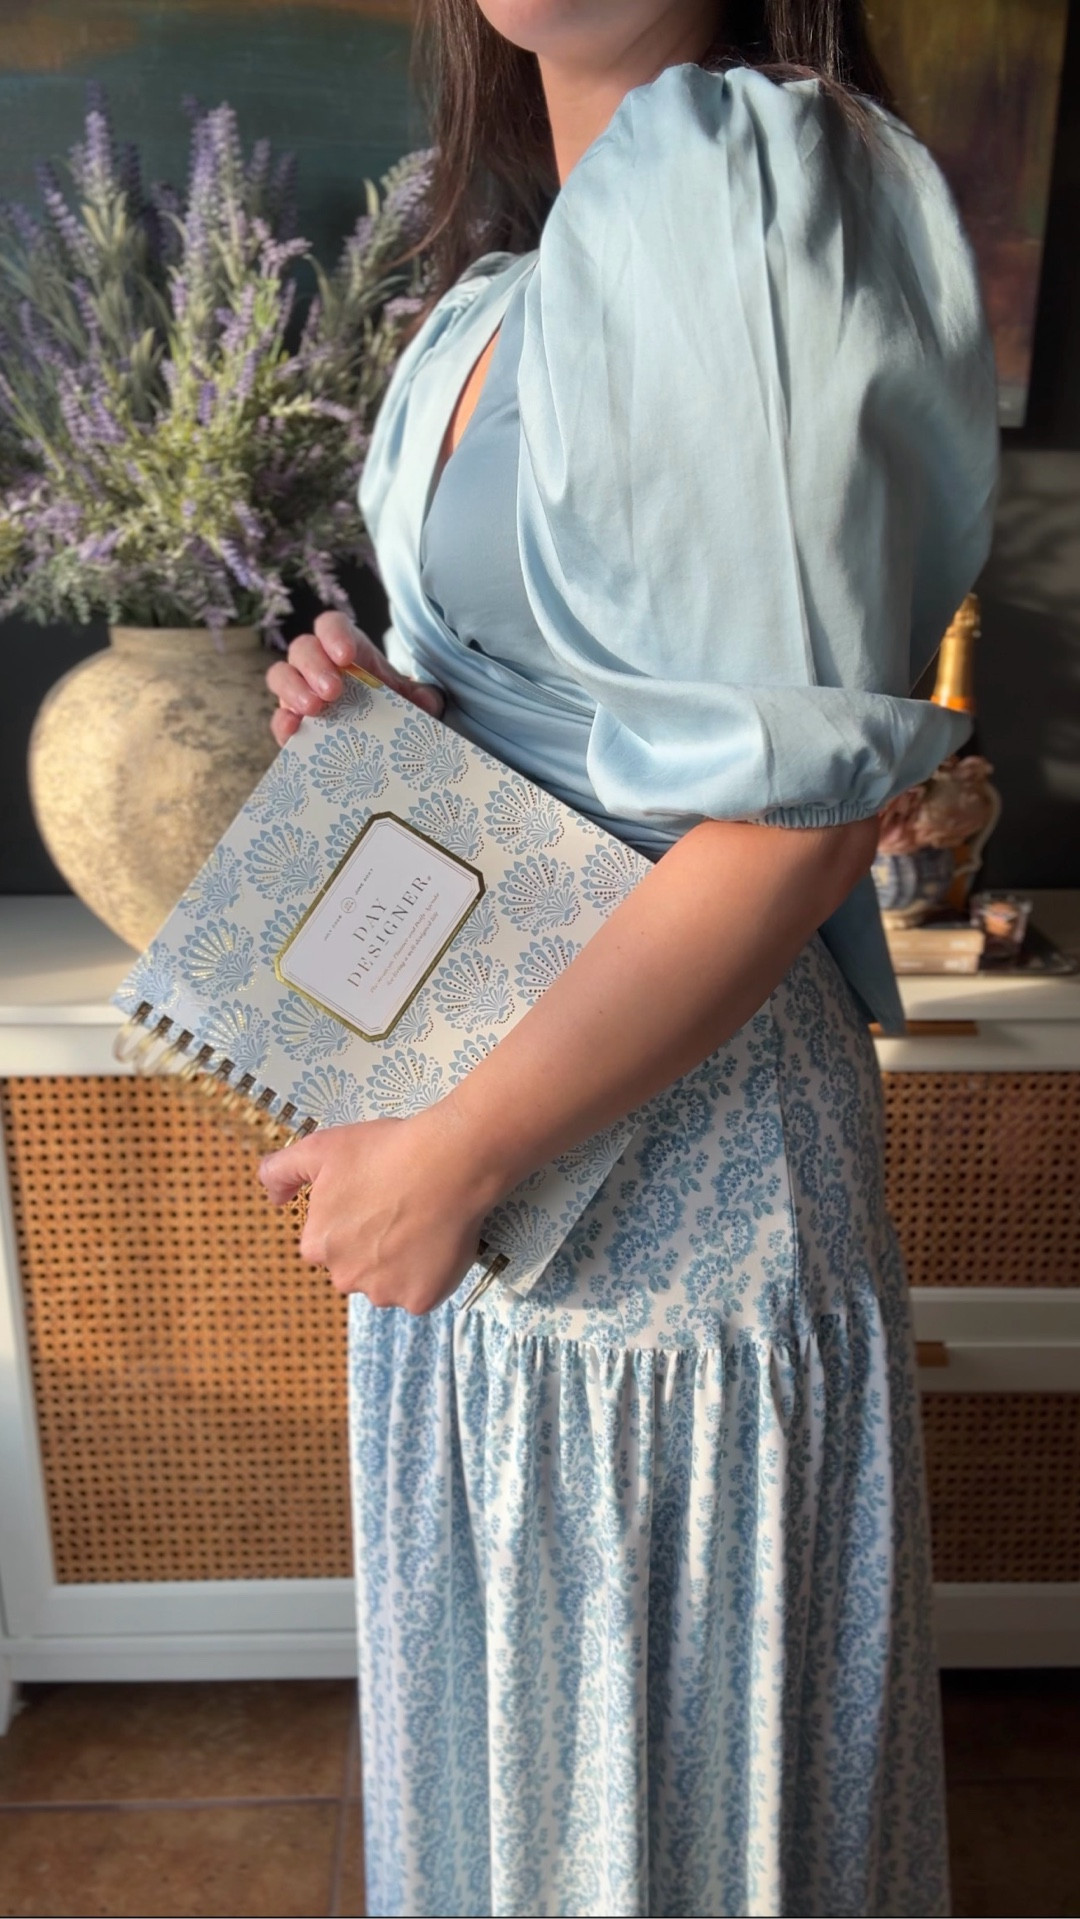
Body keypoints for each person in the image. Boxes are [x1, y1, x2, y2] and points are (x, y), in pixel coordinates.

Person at [260, 3, 999, 1912]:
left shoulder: (753, 185)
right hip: (488, 1142)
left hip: (669, 1186)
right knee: (530, 1782)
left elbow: (800, 817)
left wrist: (457, 1152)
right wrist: (388, 716)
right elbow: (585, 714)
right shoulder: (498, 291)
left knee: (677, 1806)